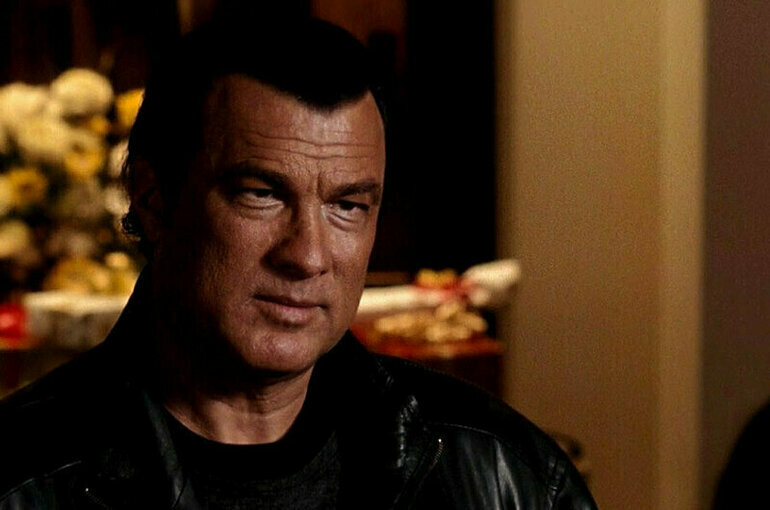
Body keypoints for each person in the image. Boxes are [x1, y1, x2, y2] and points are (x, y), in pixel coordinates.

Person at [0, 14, 597, 509]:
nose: (307, 256)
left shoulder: (508, 473)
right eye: (261, 194)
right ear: (154, 201)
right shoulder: (22, 482)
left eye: (347, 205)